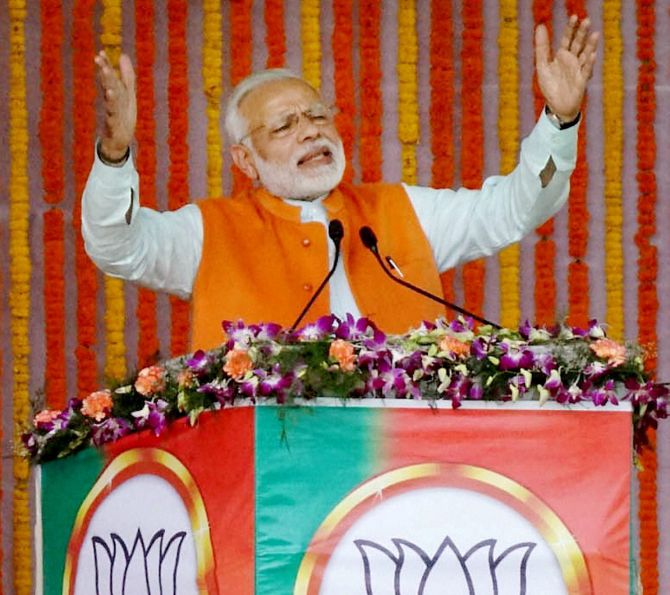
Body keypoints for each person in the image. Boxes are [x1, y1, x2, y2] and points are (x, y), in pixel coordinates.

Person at [83, 16, 599, 351]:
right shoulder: (209, 231)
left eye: (318, 115)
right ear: (246, 160)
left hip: (404, 466)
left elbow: (514, 209)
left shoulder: (399, 210)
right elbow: (117, 247)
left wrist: (559, 119)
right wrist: (114, 155)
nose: (312, 129)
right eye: (285, 126)